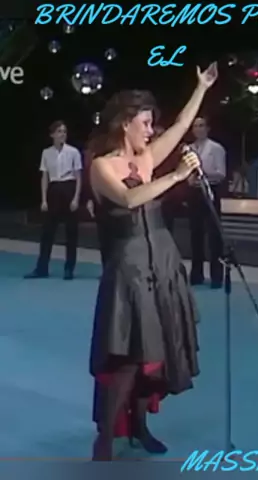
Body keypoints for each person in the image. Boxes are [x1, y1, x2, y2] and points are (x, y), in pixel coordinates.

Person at [87, 63, 218, 461]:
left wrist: (201, 88)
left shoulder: (146, 158)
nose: (150, 130)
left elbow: (180, 126)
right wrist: (175, 176)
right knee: (128, 358)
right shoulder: (101, 166)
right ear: (125, 123)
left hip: (162, 260)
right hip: (128, 266)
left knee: (155, 357)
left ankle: (141, 426)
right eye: (144, 123)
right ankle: (106, 438)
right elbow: (130, 199)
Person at [25, 121, 82, 280]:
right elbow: (45, 177)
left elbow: (78, 177)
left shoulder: (73, 152)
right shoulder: (46, 153)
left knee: (71, 232)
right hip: (54, 188)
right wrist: (44, 199)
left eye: (64, 131)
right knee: (47, 232)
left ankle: (69, 268)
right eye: (59, 131)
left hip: (69, 187)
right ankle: (42, 267)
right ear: (52, 135)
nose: (62, 134)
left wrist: (76, 198)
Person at [188, 116, 226, 288]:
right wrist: (190, 178)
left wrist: (204, 173)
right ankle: (196, 274)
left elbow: (221, 173)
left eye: (201, 125)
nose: (198, 129)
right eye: (195, 126)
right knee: (195, 234)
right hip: (195, 193)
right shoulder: (189, 149)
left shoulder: (216, 148)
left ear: (208, 128)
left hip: (212, 191)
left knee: (214, 236)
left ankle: (217, 276)